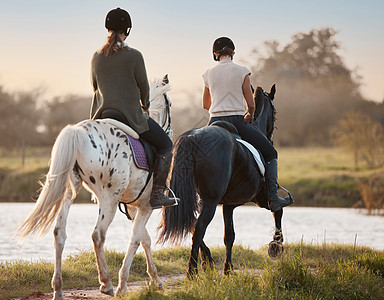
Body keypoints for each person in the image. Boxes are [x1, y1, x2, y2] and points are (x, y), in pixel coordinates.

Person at [90, 7, 177, 209]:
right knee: (165, 145)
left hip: (102, 115)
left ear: (107, 28)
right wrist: (145, 106)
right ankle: (157, 194)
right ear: (127, 30)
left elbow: (94, 86)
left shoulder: (96, 56)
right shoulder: (135, 55)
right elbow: (144, 88)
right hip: (128, 116)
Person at [202, 37, 293, 212]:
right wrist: (250, 115)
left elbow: (206, 105)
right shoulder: (243, 71)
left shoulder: (208, 74)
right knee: (271, 152)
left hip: (213, 122)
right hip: (237, 121)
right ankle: (273, 198)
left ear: (215, 54)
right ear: (233, 53)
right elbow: (251, 104)